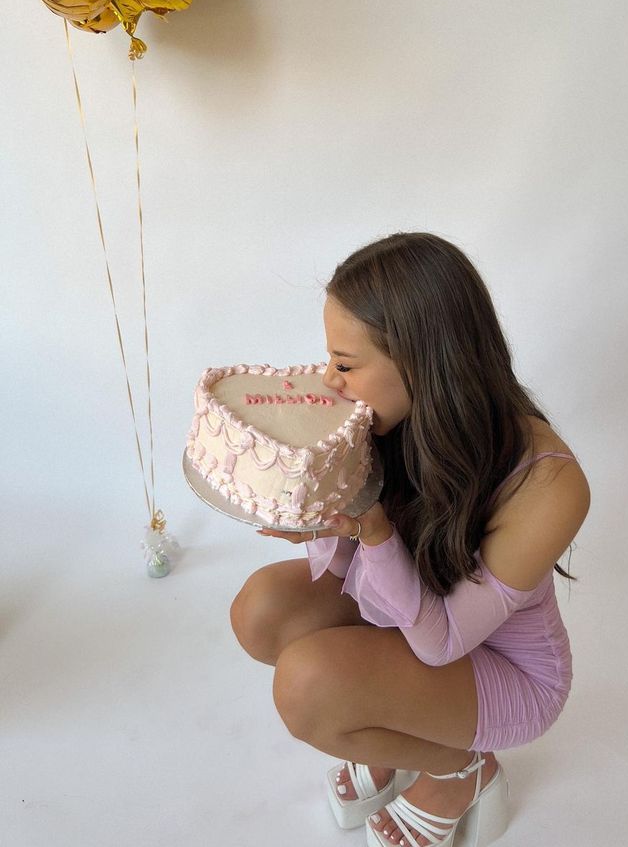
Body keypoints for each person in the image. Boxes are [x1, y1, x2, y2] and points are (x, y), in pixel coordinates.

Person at [230, 232, 591, 847]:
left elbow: (442, 641)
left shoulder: (549, 484)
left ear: (422, 362)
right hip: (410, 613)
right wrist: (325, 511)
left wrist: (371, 527)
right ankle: (395, 722)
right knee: (263, 609)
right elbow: (361, 571)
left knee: (308, 687)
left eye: (345, 365)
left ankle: (459, 769)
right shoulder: (390, 418)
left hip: (504, 669)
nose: (329, 380)